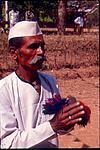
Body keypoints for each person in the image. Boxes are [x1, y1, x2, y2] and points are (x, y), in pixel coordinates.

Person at [0, 21, 85, 148]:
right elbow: (8, 142)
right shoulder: (4, 90)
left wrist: (69, 117)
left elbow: (57, 128)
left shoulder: (50, 82)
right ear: (14, 53)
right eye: (33, 47)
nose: (40, 52)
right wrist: (53, 125)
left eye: (42, 46)